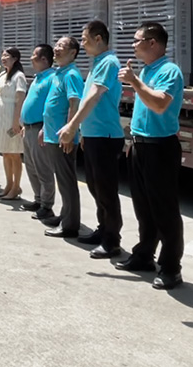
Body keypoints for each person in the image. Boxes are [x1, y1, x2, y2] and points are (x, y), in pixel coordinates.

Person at [117, 22, 186, 290]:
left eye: (137, 40)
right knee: (143, 207)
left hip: (160, 147)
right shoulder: (146, 70)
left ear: (153, 42)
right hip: (139, 145)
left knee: (165, 210)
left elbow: (159, 104)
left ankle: (171, 268)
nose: (133, 45)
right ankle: (144, 254)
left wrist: (134, 81)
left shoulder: (170, 71)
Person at [58, 21, 126, 259]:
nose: (83, 43)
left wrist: (72, 125)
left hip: (106, 136)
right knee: (96, 189)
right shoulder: (98, 63)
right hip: (94, 135)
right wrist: (84, 133)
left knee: (106, 191)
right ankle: (103, 229)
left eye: (85, 39)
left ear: (99, 39)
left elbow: (94, 97)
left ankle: (112, 241)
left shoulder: (109, 62)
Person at [42, 36, 85, 239]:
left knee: (67, 182)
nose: (56, 49)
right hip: (52, 135)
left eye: (62, 47)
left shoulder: (71, 75)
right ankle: (64, 216)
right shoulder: (60, 72)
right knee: (61, 180)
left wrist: (69, 133)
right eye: (56, 45)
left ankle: (70, 225)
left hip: (63, 138)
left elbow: (74, 104)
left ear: (73, 52)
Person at [19, 44, 58, 224]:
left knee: (43, 169)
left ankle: (47, 206)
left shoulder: (52, 78)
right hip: (28, 128)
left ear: (44, 59)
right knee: (31, 166)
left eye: (34, 55)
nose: (30, 59)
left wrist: (45, 127)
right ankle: (38, 199)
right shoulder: (37, 78)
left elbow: (51, 105)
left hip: (39, 128)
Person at [0, 48, 27, 200]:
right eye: (2, 55)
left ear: (15, 58)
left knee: (14, 153)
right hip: (0, 115)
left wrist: (17, 121)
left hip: (12, 116)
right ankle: (9, 185)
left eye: (7, 56)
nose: (3, 58)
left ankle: (16, 187)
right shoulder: (3, 75)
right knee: (5, 152)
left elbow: (20, 99)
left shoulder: (19, 76)